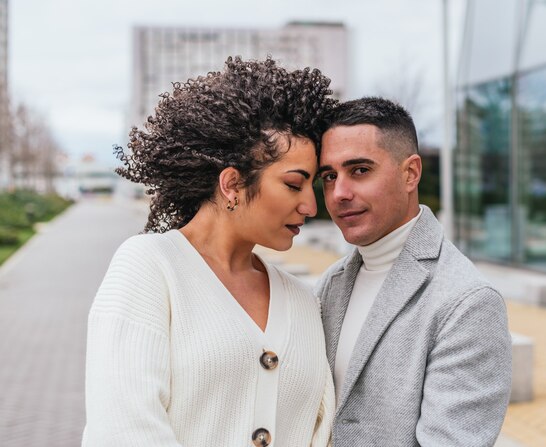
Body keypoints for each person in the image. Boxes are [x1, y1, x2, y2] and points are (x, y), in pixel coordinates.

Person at [82, 57, 335, 447]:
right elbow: (124, 429)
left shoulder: (303, 301)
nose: (310, 206)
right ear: (232, 183)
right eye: (293, 184)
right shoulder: (150, 268)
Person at [315, 97, 512, 446]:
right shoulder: (330, 286)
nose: (339, 193)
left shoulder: (468, 302)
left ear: (410, 173)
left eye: (359, 170)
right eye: (329, 176)